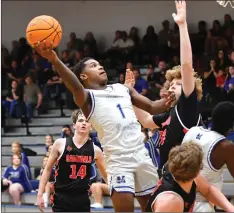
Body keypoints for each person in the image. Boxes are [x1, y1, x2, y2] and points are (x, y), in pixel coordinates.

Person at [35, 19, 172, 213]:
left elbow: (152, 106)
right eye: (93, 65)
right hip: (118, 161)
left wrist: (168, 101)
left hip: (142, 155)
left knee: (153, 209)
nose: (99, 66)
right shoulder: (87, 97)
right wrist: (55, 60)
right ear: (83, 76)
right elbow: (73, 84)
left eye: (99, 64)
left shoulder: (122, 88)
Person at [126, 0, 202, 170]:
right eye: (172, 84)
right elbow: (145, 121)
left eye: (178, 84)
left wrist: (182, 26)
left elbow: (187, 65)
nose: (173, 86)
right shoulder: (171, 112)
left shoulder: (188, 107)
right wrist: (129, 93)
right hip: (165, 175)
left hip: (182, 176)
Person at [182, 101, 234, 212]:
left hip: (179, 198)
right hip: (202, 204)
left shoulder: (193, 131)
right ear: (232, 124)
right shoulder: (225, 146)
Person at [37, 109, 107, 212]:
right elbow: (47, 169)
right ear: (74, 125)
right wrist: (40, 194)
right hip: (61, 198)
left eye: (87, 121)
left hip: (82, 199)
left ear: (91, 126)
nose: (84, 123)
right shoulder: (60, 144)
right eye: (80, 120)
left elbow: (106, 175)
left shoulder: (96, 150)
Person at [146, 142, 234, 212]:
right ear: (198, 171)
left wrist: (231, 209)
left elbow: (208, 190)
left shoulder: (184, 173)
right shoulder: (171, 201)